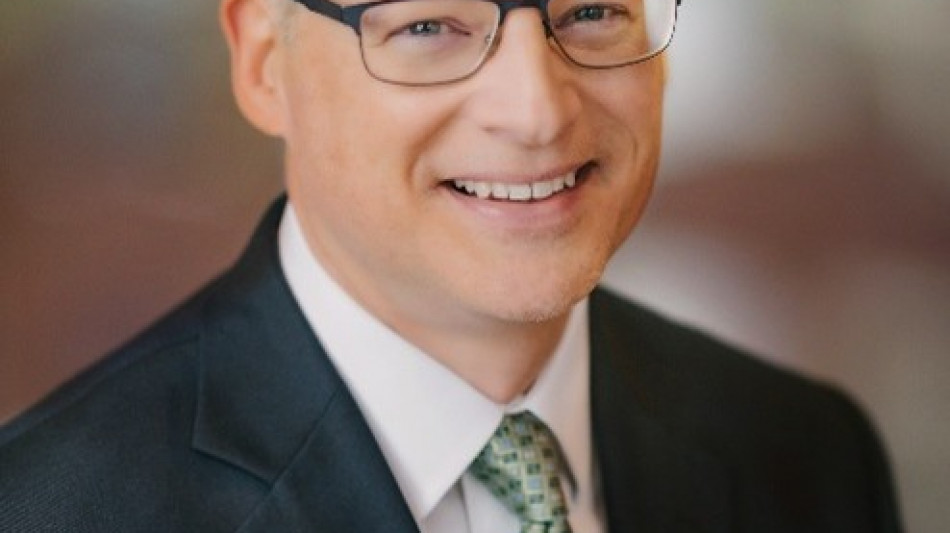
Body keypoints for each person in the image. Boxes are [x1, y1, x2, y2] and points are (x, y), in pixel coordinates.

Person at [0, 0, 902, 531]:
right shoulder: (52, 511)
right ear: (266, 65)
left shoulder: (811, 456)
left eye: (592, 12)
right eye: (430, 24)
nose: (537, 111)